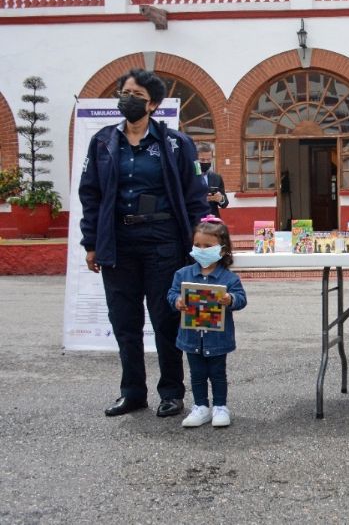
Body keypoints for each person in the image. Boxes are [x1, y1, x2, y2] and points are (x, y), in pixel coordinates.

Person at [79, 68, 209, 418]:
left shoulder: (175, 143)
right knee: (125, 321)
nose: (127, 99)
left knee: (166, 319)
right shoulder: (104, 141)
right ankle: (132, 391)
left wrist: (203, 243)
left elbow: (195, 196)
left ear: (152, 103)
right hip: (118, 242)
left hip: (162, 242)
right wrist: (91, 242)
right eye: (124, 92)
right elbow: (90, 194)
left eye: (135, 94)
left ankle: (171, 392)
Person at [168, 216, 247, 428]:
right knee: (197, 374)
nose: (202, 250)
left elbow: (241, 299)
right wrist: (177, 301)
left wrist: (230, 299)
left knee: (218, 373)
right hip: (191, 336)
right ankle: (200, 406)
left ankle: (220, 406)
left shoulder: (229, 279)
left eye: (208, 246)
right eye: (197, 245)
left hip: (217, 338)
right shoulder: (182, 274)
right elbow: (172, 294)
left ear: (222, 249)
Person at [196, 142, 229, 218]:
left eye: (208, 159)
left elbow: (225, 204)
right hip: (194, 221)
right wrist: (202, 199)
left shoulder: (216, 177)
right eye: (202, 160)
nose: (206, 162)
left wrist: (221, 198)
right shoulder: (187, 177)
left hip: (212, 222)